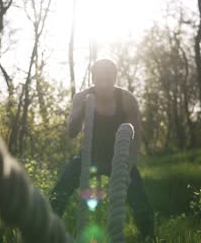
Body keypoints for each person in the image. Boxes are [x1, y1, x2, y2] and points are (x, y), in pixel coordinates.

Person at [49, 59, 155, 240]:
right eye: (100, 77)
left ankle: (148, 236)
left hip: (120, 158)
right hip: (89, 157)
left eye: (109, 77)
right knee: (61, 191)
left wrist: (128, 166)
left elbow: (136, 136)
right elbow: (72, 132)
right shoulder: (82, 96)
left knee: (139, 198)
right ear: (93, 77)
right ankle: (46, 231)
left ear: (115, 77)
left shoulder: (126, 99)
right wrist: (81, 109)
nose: (105, 81)